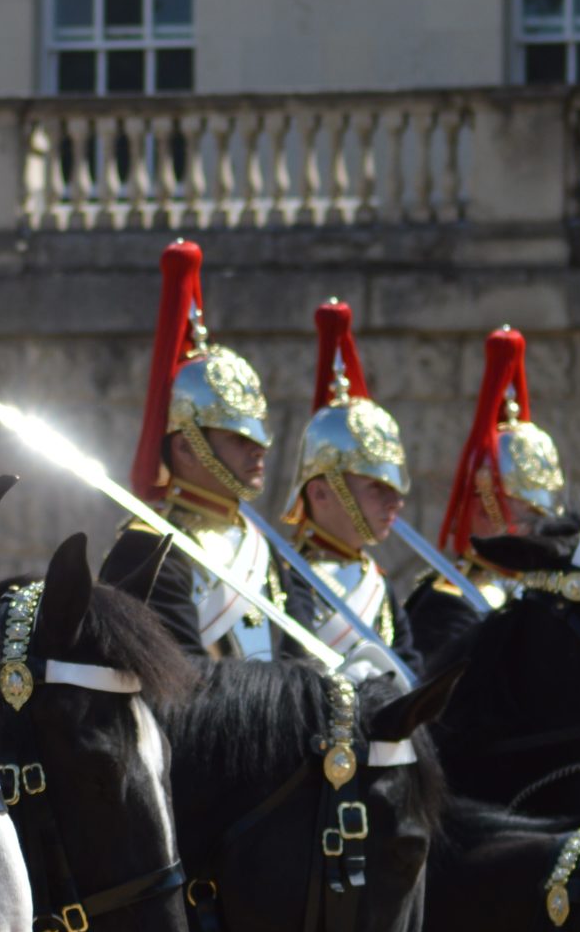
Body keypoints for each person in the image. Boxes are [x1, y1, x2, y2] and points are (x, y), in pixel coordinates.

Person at [96, 239, 323, 661]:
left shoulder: (263, 547)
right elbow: (179, 682)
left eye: (258, 438)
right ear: (186, 448)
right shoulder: (148, 547)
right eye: (239, 439)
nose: (258, 451)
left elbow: (302, 660)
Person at [279, 300, 416, 687]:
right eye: (377, 487)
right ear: (321, 493)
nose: (395, 503)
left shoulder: (376, 580)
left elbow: (409, 667)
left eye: (394, 489)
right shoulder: (290, 577)